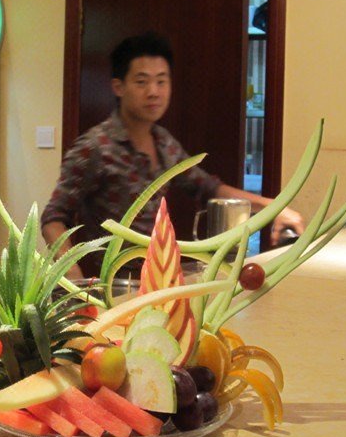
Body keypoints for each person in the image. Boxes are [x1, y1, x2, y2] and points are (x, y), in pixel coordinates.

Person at [41, 32, 304, 279]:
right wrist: (74, 279)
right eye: (142, 81)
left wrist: (275, 208)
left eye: (161, 80)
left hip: (160, 281)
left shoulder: (163, 142)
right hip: (113, 286)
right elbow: (53, 217)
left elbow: (208, 187)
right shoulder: (95, 146)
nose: (153, 91)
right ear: (118, 87)